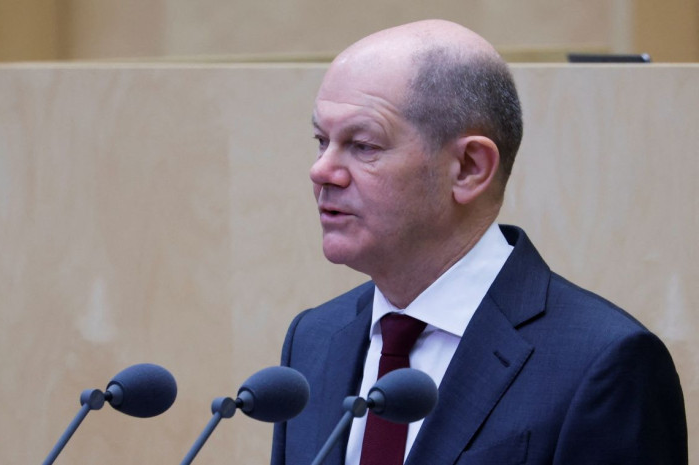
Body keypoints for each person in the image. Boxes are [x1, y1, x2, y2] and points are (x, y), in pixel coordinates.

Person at [271, 19, 687, 465]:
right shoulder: (313, 339)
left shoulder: (604, 364)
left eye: (363, 145)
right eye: (321, 141)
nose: (321, 171)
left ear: (469, 167)